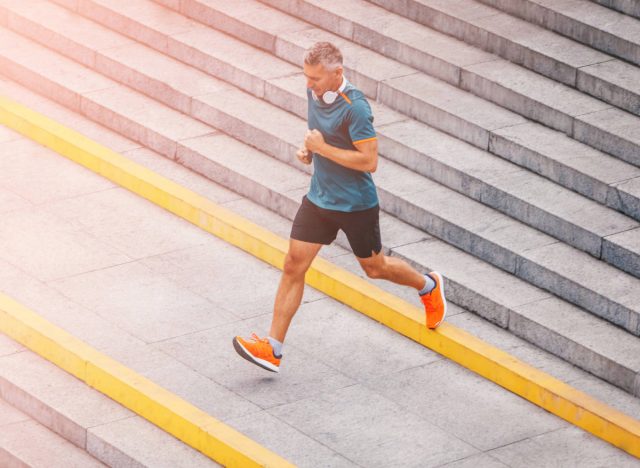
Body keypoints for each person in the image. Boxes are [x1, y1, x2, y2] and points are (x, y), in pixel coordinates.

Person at [233, 42, 446, 373]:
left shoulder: (356, 109)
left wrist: (322, 148)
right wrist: (311, 153)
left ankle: (428, 285)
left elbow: (369, 161)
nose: (309, 85)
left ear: (338, 74)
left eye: (316, 79)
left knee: (375, 268)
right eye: (306, 77)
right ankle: (272, 349)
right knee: (293, 265)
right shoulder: (314, 93)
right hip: (320, 198)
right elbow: (323, 140)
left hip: (355, 204)